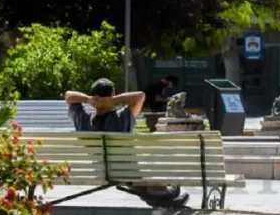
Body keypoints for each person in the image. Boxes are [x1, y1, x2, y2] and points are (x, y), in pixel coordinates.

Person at [65, 78, 189, 207]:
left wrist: (88, 99)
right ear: (112, 95)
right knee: (150, 168)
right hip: (127, 172)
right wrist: (112, 100)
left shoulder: (82, 120)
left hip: (100, 171)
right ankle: (165, 196)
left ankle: (162, 198)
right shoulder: (122, 118)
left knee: (145, 182)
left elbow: (68, 96)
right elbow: (140, 96)